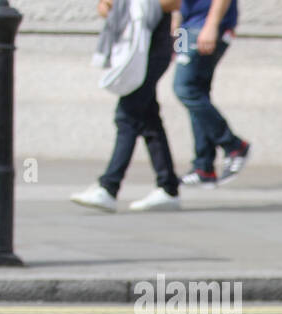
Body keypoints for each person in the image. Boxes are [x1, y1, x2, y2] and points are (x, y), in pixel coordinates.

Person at [71, 0, 182, 213]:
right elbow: (105, 8)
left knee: (127, 116)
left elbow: (174, 3)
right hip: (133, 49)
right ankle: (168, 188)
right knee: (149, 120)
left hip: (151, 50)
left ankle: (109, 187)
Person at [172, 0, 250, 186]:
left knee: (185, 88)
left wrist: (212, 24)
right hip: (186, 27)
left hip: (205, 25)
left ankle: (234, 145)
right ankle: (203, 167)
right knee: (198, 92)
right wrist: (175, 29)